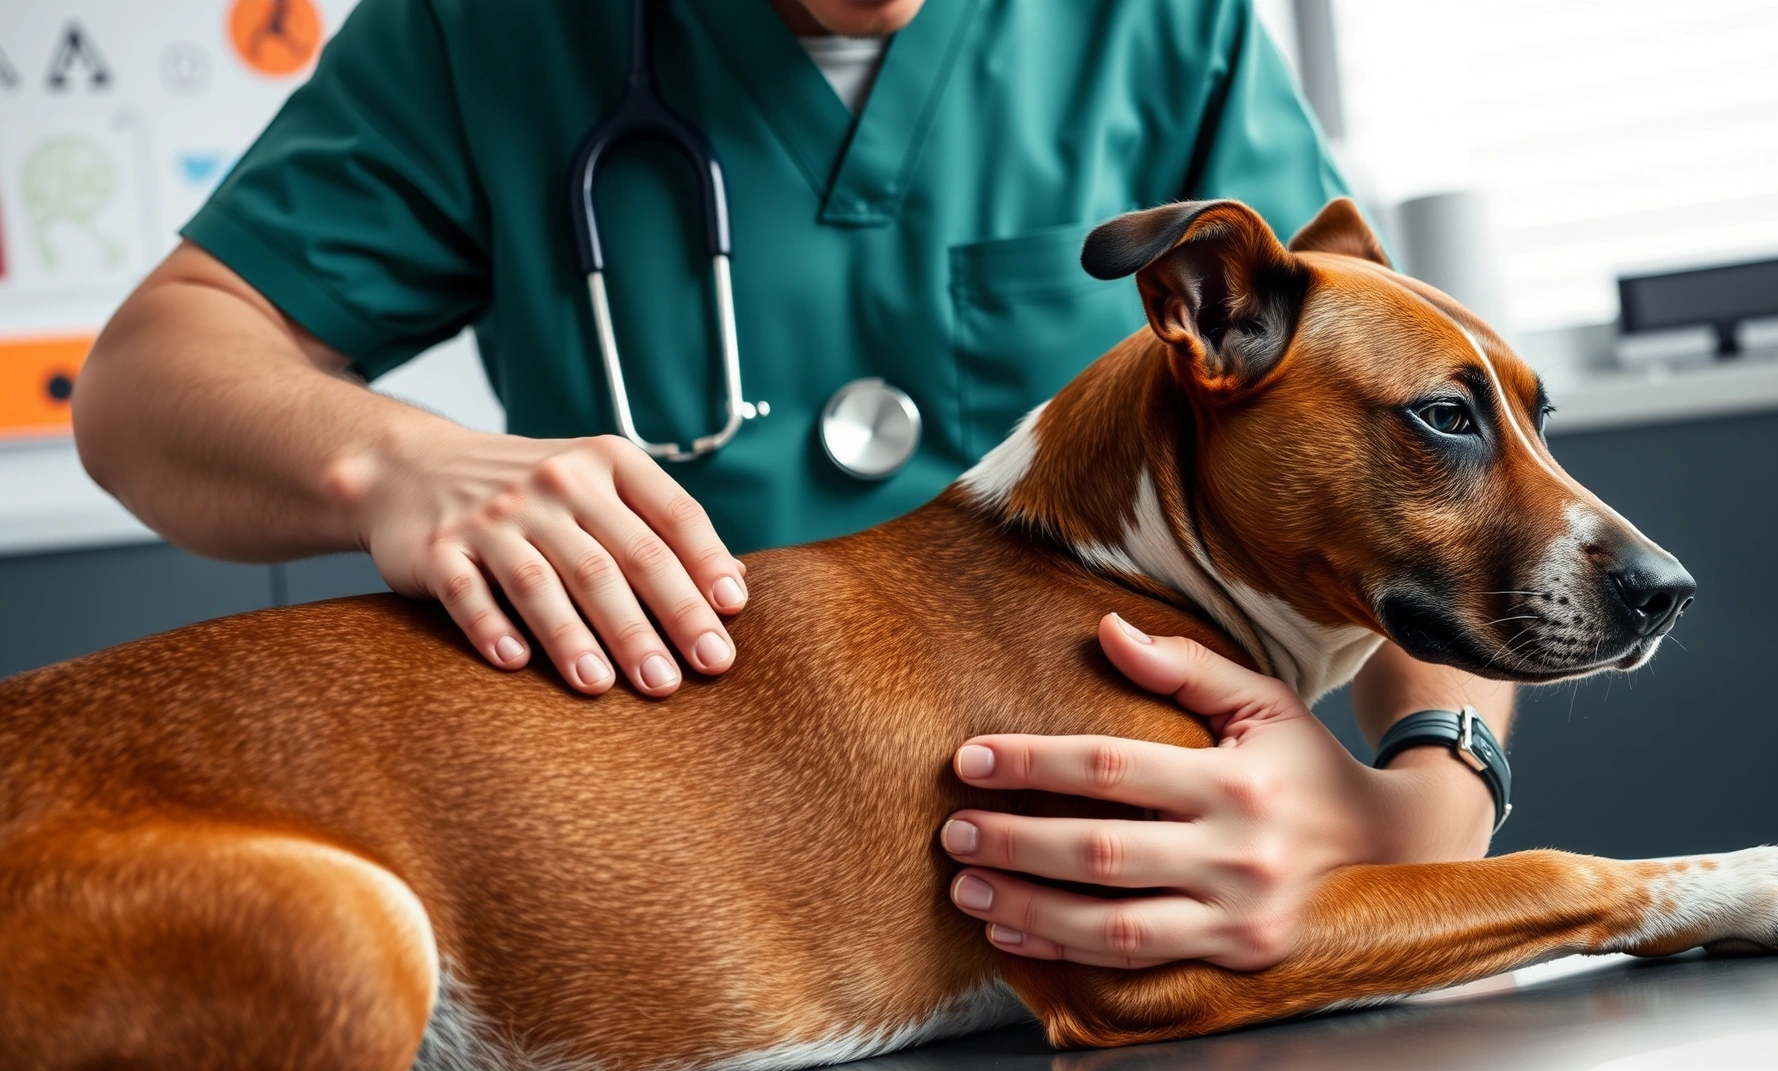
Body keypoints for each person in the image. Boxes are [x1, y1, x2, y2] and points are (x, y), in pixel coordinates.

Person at [75, 0, 1514, 972]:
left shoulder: (1163, 26)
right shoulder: (484, 30)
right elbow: (148, 380)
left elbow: (1399, 443)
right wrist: (391, 458)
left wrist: (1424, 811)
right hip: (659, 938)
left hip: (1136, 931)